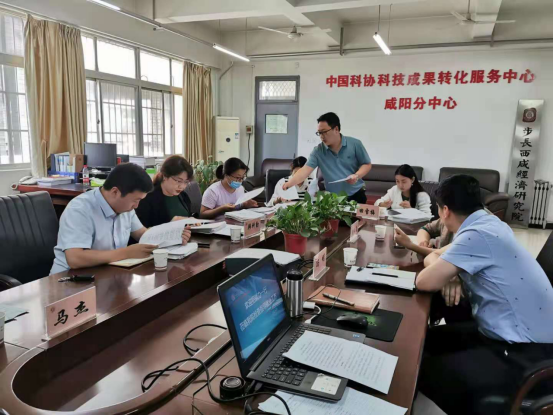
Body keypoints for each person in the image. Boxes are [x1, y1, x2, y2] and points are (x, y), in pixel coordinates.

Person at [415, 174, 553, 415]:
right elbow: (437, 256)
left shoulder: (477, 235)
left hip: (526, 350)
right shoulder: (490, 224)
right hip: (511, 333)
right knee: (424, 341)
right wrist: (451, 274)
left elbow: (424, 281)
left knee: (419, 364)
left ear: (445, 211)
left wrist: (445, 271)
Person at [50, 163, 192, 275]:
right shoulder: (80, 209)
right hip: (71, 281)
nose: (136, 206)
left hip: (107, 275)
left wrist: (173, 236)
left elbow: (143, 235)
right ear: (115, 192)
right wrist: (126, 253)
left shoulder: (125, 208)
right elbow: (75, 258)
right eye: (135, 200)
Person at [282, 112, 372, 203]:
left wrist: (356, 175)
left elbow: (367, 164)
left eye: (324, 132)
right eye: (319, 133)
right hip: (333, 198)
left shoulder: (355, 144)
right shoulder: (318, 151)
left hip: (356, 194)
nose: (321, 136)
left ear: (336, 129)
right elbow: (305, 171)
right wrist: (289, 184)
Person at [135, 155, 195, 227]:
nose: (182, 186)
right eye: (178, 181)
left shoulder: (183, 196)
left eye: (186, 182)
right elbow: (141, 230)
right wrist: (169, 225)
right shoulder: (147, 198)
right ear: (165, 176)